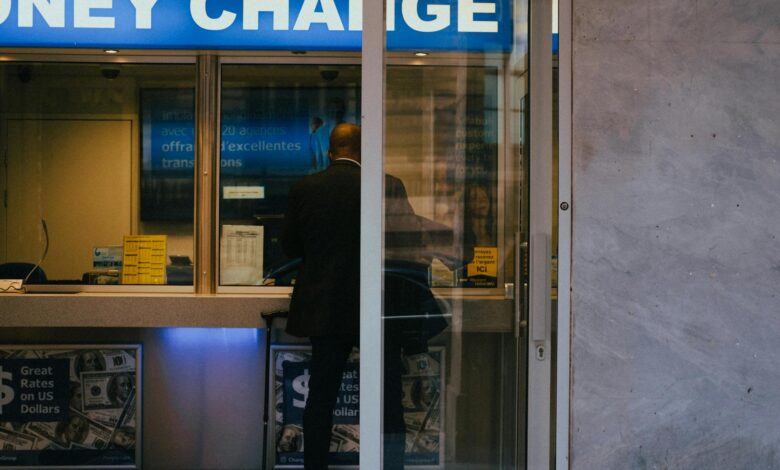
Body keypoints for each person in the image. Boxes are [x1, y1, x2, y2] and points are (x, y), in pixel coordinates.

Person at [283, 123, 406, 470]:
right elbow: (406, 247)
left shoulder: (306, 188)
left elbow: (290, 246)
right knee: (388, 400)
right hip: (377, 307)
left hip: (326, 309)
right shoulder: (389, 186)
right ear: (363, 151)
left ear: (330, 152)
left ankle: (315, 467)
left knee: (320, 399)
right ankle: (391, 466)